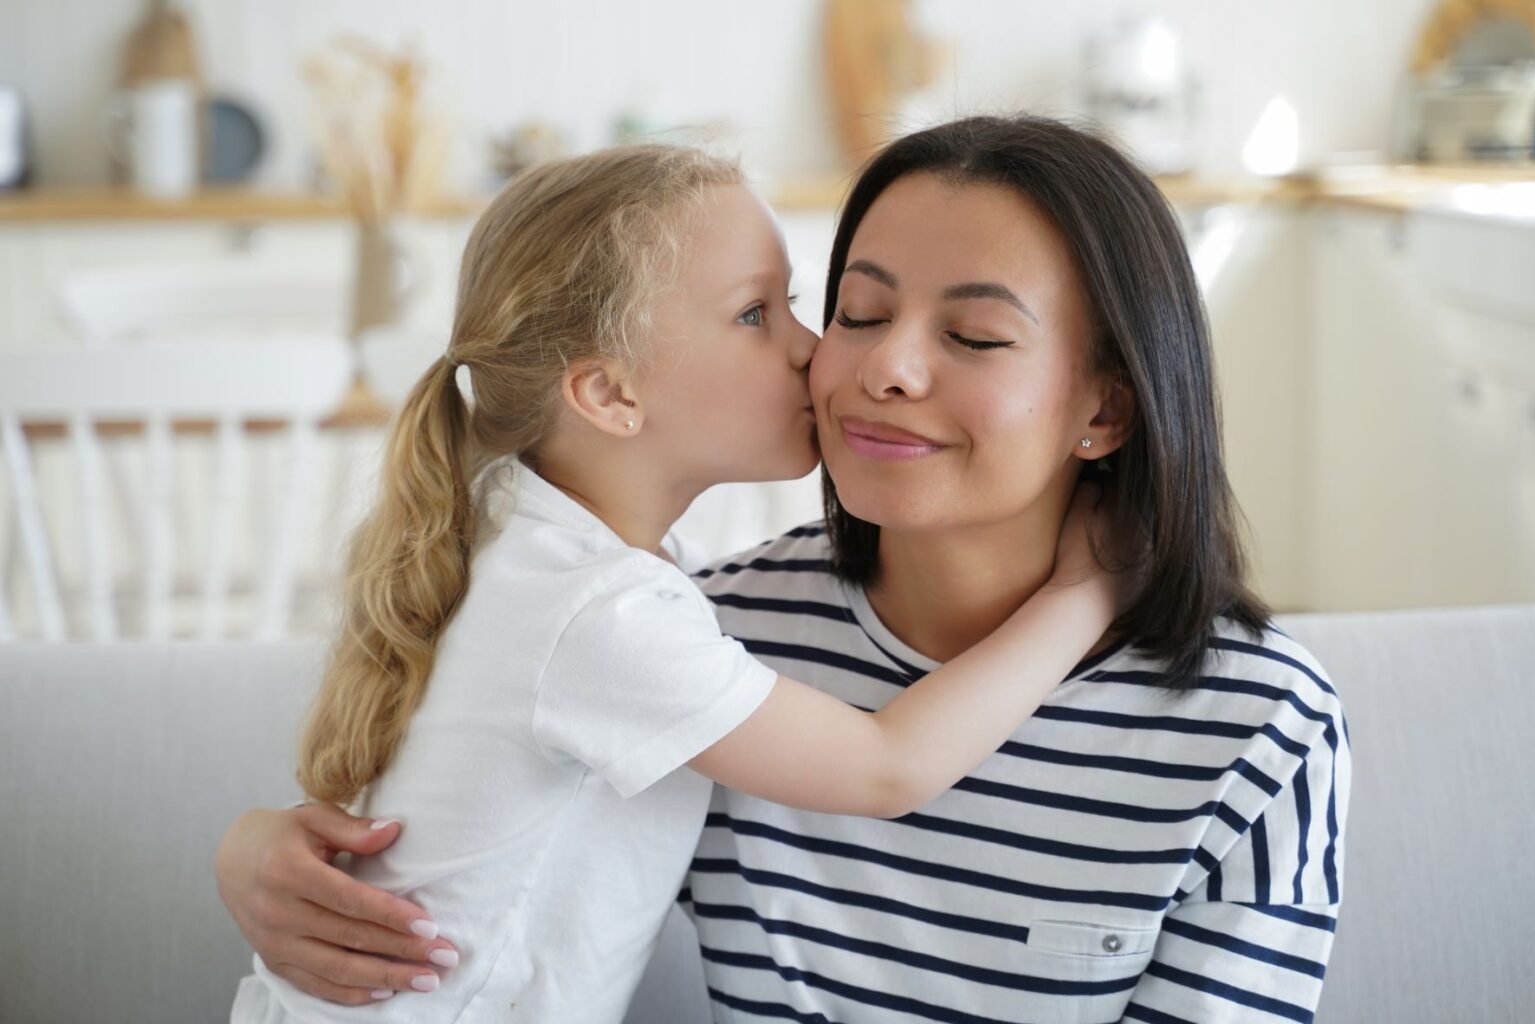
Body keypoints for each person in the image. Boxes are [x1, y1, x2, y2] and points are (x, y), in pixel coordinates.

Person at [217, 115, 1351, 1022]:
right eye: (853, 310)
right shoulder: (714, 634)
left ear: (1108, 406)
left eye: (972, 335)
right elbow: (469, 789)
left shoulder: (1257, 723)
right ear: (605, 392)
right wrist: (253, 857)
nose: (863, 364)